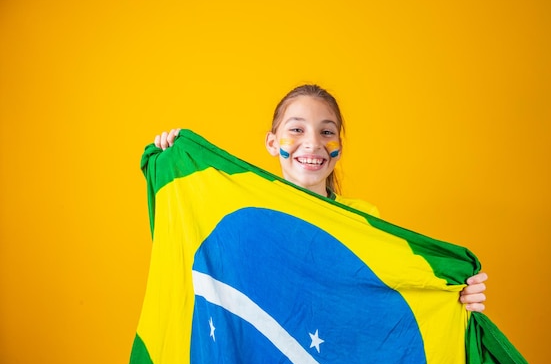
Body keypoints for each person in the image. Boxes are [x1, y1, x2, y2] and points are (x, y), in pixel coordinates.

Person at [154, 84, 488, 312]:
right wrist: (171, 159)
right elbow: (204, 263)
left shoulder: (362, 219)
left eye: (326, 132)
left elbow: (388, 296)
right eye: (297, 129)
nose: (313, 143)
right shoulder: (247, 215)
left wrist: (453, 295)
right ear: (272, 142)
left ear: (339, 147)